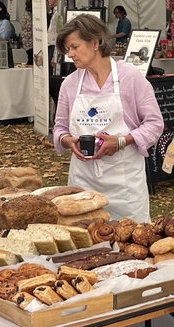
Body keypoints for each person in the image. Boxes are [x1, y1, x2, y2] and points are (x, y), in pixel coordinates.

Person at [53, 15, 164, 222]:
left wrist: (121, 141)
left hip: (124, 183)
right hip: (83, 182)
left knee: (131, 243)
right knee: (87, 243)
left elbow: (155, 124)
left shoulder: (130, 77)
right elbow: (59, 128)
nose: (71, 54)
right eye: (68, 49)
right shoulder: (70, 84)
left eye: (75, 47)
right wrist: (68, 141)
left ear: (95, 43)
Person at [21, 0, 34, 64]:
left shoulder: (26, 14)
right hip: (30, 42)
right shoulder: (29, 16)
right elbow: (31, 29)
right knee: (31, 59)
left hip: (27, 43)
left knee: (30, 58)